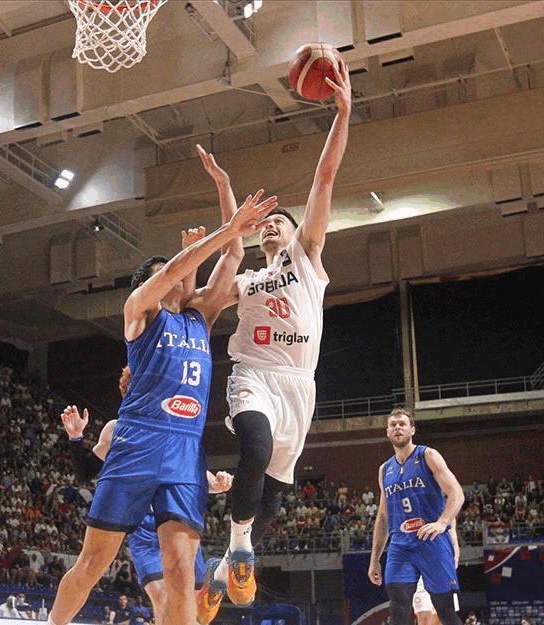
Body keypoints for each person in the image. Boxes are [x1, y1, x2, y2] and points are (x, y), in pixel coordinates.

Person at [46, 189, 278, 625]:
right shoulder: (140, 311)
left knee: (182, 572)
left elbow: (230, 261)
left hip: (184, 450)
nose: (179, 278)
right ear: (151, 285)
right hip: (138, 442)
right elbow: (177, 267)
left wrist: (231, 209)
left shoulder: (199, 318)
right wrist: (220, 234)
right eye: (169, 276)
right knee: (93, 563)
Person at [199, 55, 353, 616]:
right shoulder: (246, 280)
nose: (272, 224)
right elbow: (200, 300)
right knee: (255, 448)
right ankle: (239, 551)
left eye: (278, 221)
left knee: (273, 496)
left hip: (300, 384)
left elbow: (324, 178)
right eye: (266, 221)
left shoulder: (307, 257)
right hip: (254, 376)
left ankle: (222, 569)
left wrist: (342, 114)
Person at [61, 364, 233, 624]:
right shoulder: (118, 428)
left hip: (177, 525)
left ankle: (216, 579)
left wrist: (216, 482)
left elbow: (194, 474)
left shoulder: (179, 428)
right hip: (146, 532)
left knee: (194, 612)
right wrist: (76, 438)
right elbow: (86, 472)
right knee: (162, 596)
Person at [367, 409, 464, 625]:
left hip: (432, 543)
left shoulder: (427, 455)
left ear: (412, 429)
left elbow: (456, 492)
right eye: (393, 425)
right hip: (401, 546)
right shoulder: (385, 470)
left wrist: (442, 523)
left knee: (445, 611)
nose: (397, 427)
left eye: (402, 424)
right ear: (387, 432)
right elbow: (382, 518)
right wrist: (374, 560)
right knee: (398, 608)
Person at [412, 519, 459, 625]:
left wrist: (455, 556)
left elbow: (453, 537)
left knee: (441, 618)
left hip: (443, 566)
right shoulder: (415, 507)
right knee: (424, 618)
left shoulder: (447, 509)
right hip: (421, 567)